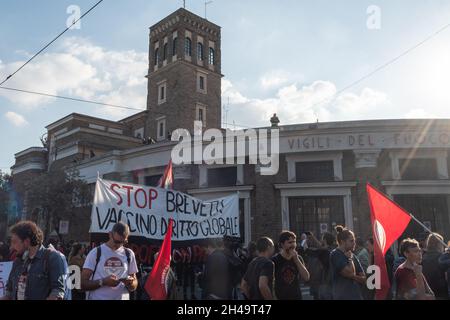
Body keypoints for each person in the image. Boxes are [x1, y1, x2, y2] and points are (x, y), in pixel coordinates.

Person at [2, 221, 67, 300]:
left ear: (26, 241)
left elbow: (57, 290)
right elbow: (9, 290)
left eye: (14, 242)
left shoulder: (52, 258)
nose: (11, 247)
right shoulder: (18, 261)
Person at [81, 222, 138, 300]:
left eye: (123, 242)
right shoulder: (96, 253)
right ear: (110, 234)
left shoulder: (129, 254)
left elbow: (134, 284)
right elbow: (82, 284)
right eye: (117, 241)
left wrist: (130, 283)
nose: (119, 245)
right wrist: (103, 282)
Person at [329, 225, 366, 300]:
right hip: (342, 297)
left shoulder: (353, 256)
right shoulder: (335, 254)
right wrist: (349, 259)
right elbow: (351, 272)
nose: (354, 243)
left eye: (354, 241)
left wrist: (353, 277)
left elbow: (364, 279)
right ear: (342, 242)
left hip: (356, 296)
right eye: (351, 241)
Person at [272, 231, 309, 300]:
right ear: (282, 244)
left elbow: (306, 277)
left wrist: (296, 260)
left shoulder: (298, 258)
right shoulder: (275, 260)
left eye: (294, 242)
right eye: (289, 242)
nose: (293, 245)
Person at [421, 233, 448, 299]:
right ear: (438, 244)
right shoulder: (442, 258)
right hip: (442, 292)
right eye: (442, 243)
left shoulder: (422, 258)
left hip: (428, 292)